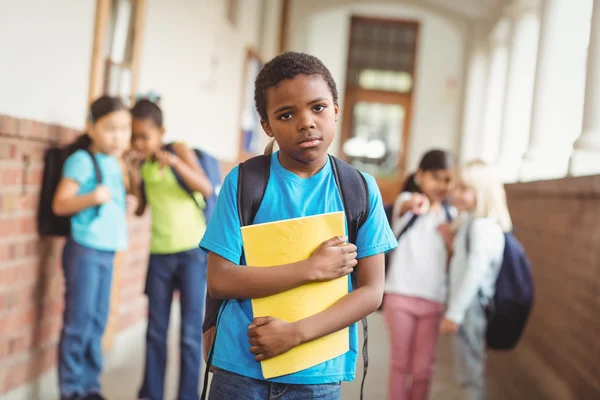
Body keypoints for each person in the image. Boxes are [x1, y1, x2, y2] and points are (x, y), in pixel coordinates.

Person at [199, 51, 397, 400]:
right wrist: (311, 268)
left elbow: (371, 291)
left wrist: (294, 334)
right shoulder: (244, 182)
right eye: (286, 114)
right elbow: (220, 279)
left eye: (318, 107)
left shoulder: (359, 189)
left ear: (336, 109)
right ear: (268, 126)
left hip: (317, 374)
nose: (306, 122)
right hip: (241, 366)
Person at [127, 98, 213, 400]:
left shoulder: (178, 149)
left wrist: (175, 163)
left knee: (190, 335)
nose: (138, 142)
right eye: (133, 135)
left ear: (161, 132)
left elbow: (206, 187)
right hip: (159, 255)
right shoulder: (142, 162)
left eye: (144, 136)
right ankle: (151, 393)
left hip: (191, 253)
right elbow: (140, 208)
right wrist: (133, 173)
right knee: (155, 332)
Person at [53, 96, 131, 400]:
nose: (118, 136)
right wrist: (92, 197)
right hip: (84, 250)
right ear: (91, 127)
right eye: (110, 128)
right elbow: (60, 203)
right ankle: (71, 390)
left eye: (124, 129)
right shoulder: (82, 160)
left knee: (97, 321)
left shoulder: (114, 162)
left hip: (107, 251)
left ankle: (90, 387)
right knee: (79, 322)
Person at [383, 149, 455, 400]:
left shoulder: (450, 216)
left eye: (447, 179)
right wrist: (413, 204)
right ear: (420, 176)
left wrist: (450, 239)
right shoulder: (409, 202)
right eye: (435, 177)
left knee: (424, 369)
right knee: (400, 363)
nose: (441, 185)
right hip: (400, 296)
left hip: (433, 299)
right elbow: (403, 206)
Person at [440, 160, 511, 400]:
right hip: (468, 306)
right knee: (467, 371)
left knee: (469, 375)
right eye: (456, 187)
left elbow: (475, 272)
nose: (455, 193)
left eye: (464, 189)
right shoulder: (472, 221)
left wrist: (455, 312)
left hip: (471, 308)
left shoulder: (482, 226)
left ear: (482, 193)